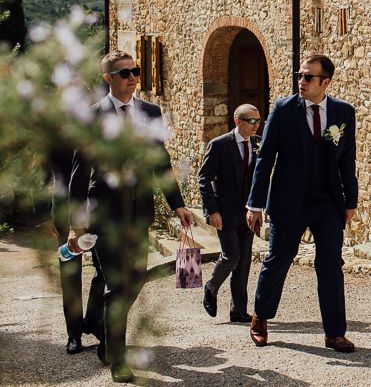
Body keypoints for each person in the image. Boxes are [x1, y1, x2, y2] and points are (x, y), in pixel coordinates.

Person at [68, 50, 192, 383]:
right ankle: (118, 360)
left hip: (139, 215)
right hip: (103, 216)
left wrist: (177, 204)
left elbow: (160, 162)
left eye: (136, 71)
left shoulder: (150, 112)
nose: (133, 77)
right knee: (118, 285)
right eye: (125, 73)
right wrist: (74, 224)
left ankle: (105, 337)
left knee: (133, 282)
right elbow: (80, 174)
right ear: (107, 78)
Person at [246, 54, 358, 352]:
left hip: (327, 202)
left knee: (331, 263)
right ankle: (261, 316)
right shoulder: (284, 109)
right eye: (300, 75)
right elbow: (265, 158)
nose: (302, 81)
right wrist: (254, 204)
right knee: (279, 259)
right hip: (288, 199)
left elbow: (348, 159)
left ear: (326, 82)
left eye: (308, 77)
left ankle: (334, 332)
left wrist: (351, 201)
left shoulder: (343, 112)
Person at [198, 103, 261, 323]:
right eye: (251, 121)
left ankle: (238, 310)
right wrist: (211, 211)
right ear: (237, 121)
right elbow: (203, 180)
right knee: (231, 256)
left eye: (258, 121)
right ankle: (211, 286)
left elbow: (261, 179)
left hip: (248, 213)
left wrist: (259, 208)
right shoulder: (219, 145)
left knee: (243, 262)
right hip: (224, 213)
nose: (255, 126)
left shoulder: (258, 144)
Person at [43, 146, 105, 354]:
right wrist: (44, 214)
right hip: (64, 212)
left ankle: (93, 319)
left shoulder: (102, 125)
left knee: (104, 270)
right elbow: (41, 173)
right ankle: (74, 334)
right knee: (70, 275)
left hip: (98, 210)